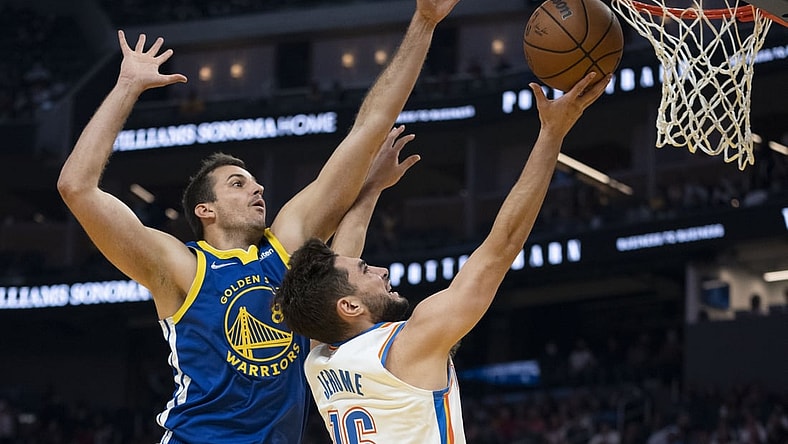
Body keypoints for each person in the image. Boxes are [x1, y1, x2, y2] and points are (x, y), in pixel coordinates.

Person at [57, 0, 459, 440]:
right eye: (238, 183)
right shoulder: (181, 267)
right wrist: (127, 86)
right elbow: (76, 187)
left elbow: (369, 127)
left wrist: (424, 22)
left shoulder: (287, 244)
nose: (258, 188)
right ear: (205, 210)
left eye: (254, 182)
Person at [275, 72, 611, 443]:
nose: (382, 271)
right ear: (350, 307)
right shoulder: (408, 345)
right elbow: (500, 248)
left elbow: (340, 268)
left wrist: (373, 188)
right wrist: (552, 134)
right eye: (367, 270)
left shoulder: (319, 361)